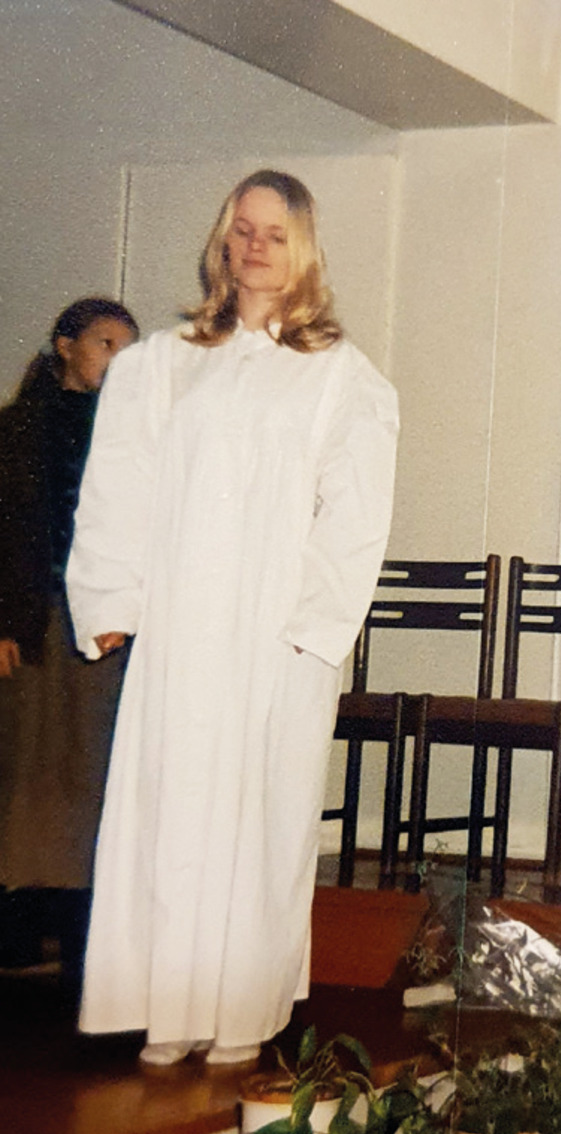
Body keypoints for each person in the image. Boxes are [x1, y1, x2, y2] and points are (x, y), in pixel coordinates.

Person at [66, 170, 398, 1066]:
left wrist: (313, 630)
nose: (256, 247)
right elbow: (119, 485)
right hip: (182, 626)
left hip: (274, 632)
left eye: (275, 234)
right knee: (171, 809)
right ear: (222, 241)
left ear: (304, 250)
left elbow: (355, 515)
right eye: (243, 230)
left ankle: (241, 1016)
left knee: (258, 819)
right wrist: (111, 599)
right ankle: (166, 1009)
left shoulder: (339, 376)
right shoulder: (165, 364)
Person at [0, 299, 138, 920]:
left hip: (98, 619)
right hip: (30, 616)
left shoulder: (129, 436)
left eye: (128, 349)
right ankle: (18, 912)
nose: (118, 359)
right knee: (24, 759)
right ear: (65, 345)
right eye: (106, 344)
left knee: (89, 762)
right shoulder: (17, 430)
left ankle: (81, 912)